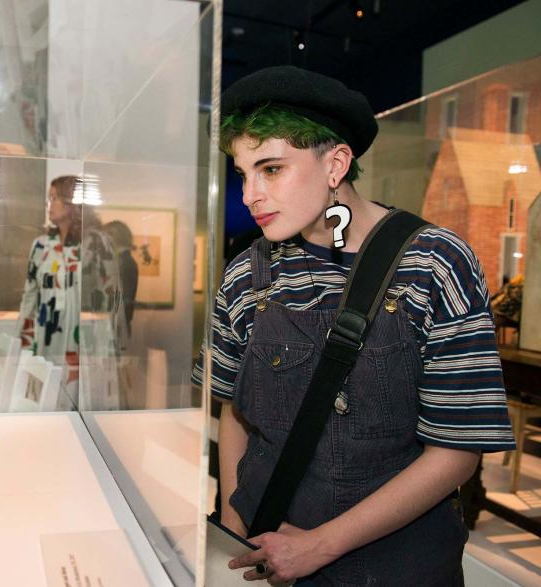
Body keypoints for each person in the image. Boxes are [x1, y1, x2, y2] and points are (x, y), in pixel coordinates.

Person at [193, 66, 515, 585]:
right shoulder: (245, 274)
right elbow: (235, 410)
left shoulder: (434, 264)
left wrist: (318, 547)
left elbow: (457, 452)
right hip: (263, 546)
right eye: (243, 173)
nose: (250, 194)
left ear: (336, 164)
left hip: (395, 564)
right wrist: (231, 525)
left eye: (271, 169)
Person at [17, 176, 121, 408]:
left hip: (82, 334)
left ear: (72, 202)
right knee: (44, 400)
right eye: (49, 199)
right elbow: (30, 295)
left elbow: (110, 294)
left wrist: (106, 338)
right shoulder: (41, 245)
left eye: (55, 198)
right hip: (47, 334)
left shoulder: (97, 242)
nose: (50, 204)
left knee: (80, 402)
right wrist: (23, 340)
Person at [103, 220, 138, 336]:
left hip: (116, 326)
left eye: (108, 235)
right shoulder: (120, 261)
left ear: (117, 236)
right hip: (114, 324)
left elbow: (123, 298)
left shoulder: (125, 262)